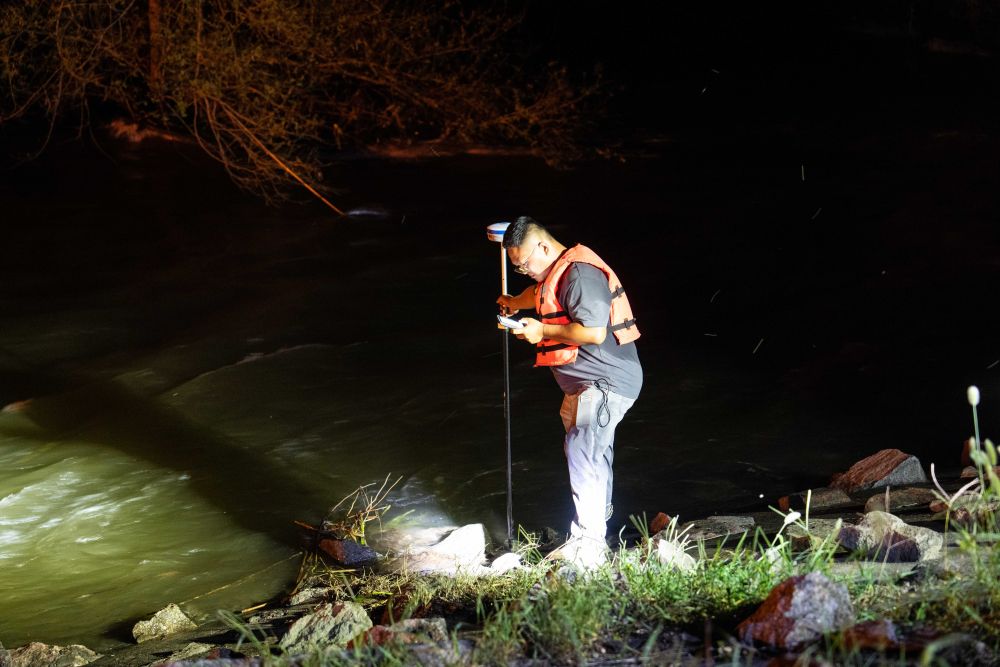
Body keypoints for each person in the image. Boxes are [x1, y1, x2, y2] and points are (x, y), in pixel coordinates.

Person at [496, 216, 642, 569]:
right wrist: (515, 302)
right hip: (586, 384)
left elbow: (593, 332)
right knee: (591, 449)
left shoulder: (579, 273)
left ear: (544, 247)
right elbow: (541, 292)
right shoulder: (554, 271)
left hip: (604, 383)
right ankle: (597, 533)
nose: (524, 271)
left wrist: (541, 329)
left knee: (583, 449)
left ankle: (588, 541)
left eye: (525, 264)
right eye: (517, 267)